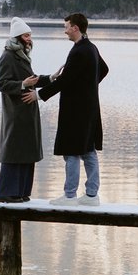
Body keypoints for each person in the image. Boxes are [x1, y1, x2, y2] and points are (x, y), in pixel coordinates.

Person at [39, 11, 109, 203]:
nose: (65, 31)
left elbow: (64, 81)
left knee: (71, 151)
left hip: (76, 110)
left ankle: (70, 195)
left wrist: (39, 95)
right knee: (88, 150)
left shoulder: (79, 51)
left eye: (67, 27)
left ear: (75, 28)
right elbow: (104, 69)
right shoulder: (91, 48)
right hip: (90, 108)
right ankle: (92, 195)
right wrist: (88, 86)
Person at [0, 17, 43, 203]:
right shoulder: (8, 56)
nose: (30, 39)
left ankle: (21, 191)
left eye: (30, 35)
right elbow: (1, 83)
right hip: (15, 112)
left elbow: (30, 80)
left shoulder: (22, 55)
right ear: (17, 37)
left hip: (26, 111)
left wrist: (51, 79)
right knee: (14, 151)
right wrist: (22, 84)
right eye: (26, 35)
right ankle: (6, 193)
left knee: (26, 151)